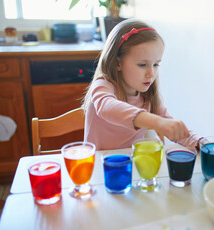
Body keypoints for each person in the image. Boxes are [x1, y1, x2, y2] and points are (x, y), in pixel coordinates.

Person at [82, 19, 201, 150]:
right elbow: (107, 107)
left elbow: (176, 132)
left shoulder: (149, 97)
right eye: (142, 65)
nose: (151, 73)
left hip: (132, 164)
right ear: (118, 63)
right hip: (98, 166)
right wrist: (157, 122)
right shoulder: (103, 85)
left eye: (156, 64)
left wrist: (203, 144)